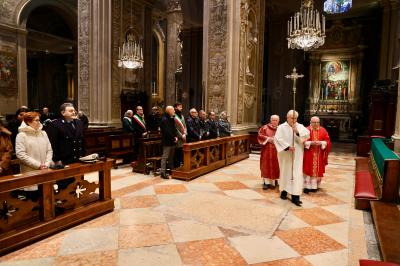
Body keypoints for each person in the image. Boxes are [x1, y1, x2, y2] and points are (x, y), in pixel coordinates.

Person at [274, 110, 310, 206]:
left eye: (295, 118)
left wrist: (297, 132)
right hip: (286, 155)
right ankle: (284, 191)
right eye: (292, 118)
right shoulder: (281, 127)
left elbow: (307, 135)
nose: (294, 120)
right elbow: (277, 139)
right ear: (287, 118)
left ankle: (296, 197)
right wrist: (287, 147)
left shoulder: (300, 126)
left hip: (297, 155)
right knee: (286, 172)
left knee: (296, 174)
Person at [15, 112, 53, 198]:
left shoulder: (43, 133)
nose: (39, 122)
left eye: (39, 120)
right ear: (28, 122)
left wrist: (47, 164)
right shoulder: (21, 135)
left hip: (45, 170)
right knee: (32, 200)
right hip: (30, 171)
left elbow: (49, 150)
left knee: (47, 197)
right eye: (36, 120)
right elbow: (21, 155)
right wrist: (38, 165)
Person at [303, 116, 331, 193]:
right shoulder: (306, 130)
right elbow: (301, 141)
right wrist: (310, 143)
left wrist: (322, 143)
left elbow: (327, 141)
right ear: (310, 122)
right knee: (308, 169)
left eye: (317, 122)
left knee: (317, 169)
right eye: (314, 122)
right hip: (308, 154)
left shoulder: (323, 130)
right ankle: (307, 187)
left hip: (319, 154)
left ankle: (314, 186)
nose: (316, 124)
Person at [257, 115, 280, 190]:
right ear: (270, 120)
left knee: (276, 165)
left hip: (277, 150)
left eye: (276, 120)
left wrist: (276, 140)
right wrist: (268, 139)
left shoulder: (280, 129)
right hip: (266, 150)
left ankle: (274, 181)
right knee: (266, 165)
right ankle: (266, 182)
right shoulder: (264, 128)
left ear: (278, 121)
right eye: (273, 120)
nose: (274, 122)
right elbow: (260, 135)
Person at [160, 106, 178, 179]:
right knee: (165, 157)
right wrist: (173, 137)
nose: (174, 111)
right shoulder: (164, 119)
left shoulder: (171, 118)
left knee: (171, 157)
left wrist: (176, 136)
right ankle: (163, 173)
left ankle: (171, 170)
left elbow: (174, 129)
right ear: (169, 110)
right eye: (173, 110)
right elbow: (167, 131)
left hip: (172, 141)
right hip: (167, 141)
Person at [174, 102, 186, 167]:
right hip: (178, 137)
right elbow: (175, 128)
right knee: (177, 153)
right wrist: (181, 135)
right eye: (179, 107)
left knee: (182, 152)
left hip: (183, 137)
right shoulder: (174, 116)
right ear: (175, 107)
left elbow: (185, 126)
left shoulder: (182, 116)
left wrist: (185, 133)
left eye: (181, 107)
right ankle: (177, 167)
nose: (181, 108)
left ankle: (182, 165)